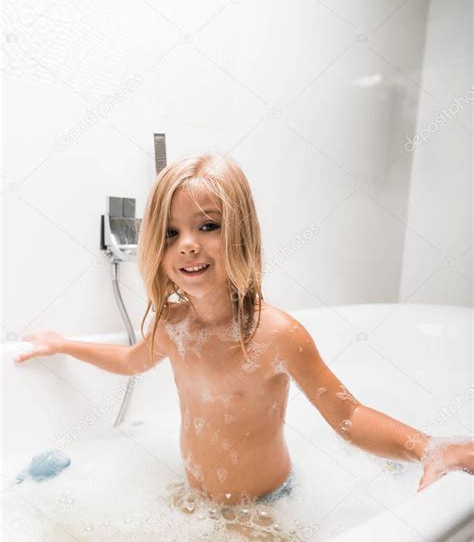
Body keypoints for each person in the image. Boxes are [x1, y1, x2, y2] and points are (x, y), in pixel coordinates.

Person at [14, 154, 474, 505]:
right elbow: (130, 361)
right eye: (171, 233)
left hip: (265, 507)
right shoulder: (172, 324)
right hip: (199, 501)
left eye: (207, 225)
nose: (188, 245)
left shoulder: (275, 335)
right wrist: (65, 344)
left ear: (241, 234)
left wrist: (428, 447)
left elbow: (348, 417)